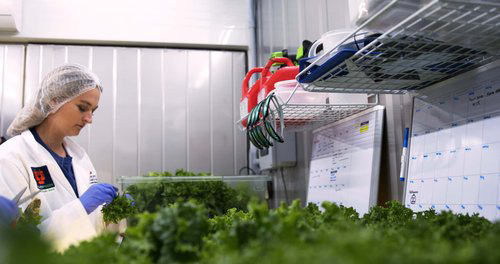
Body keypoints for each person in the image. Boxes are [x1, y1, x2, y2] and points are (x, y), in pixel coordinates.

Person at [0, 64, 118, 251]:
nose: (89, 119)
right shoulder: (11, 157)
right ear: (54, 101)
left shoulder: (80, 157)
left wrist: (112, 214)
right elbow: (16, 242)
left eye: (93, 111)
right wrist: (80, 209)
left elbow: (90, 222)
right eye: (82, 108)